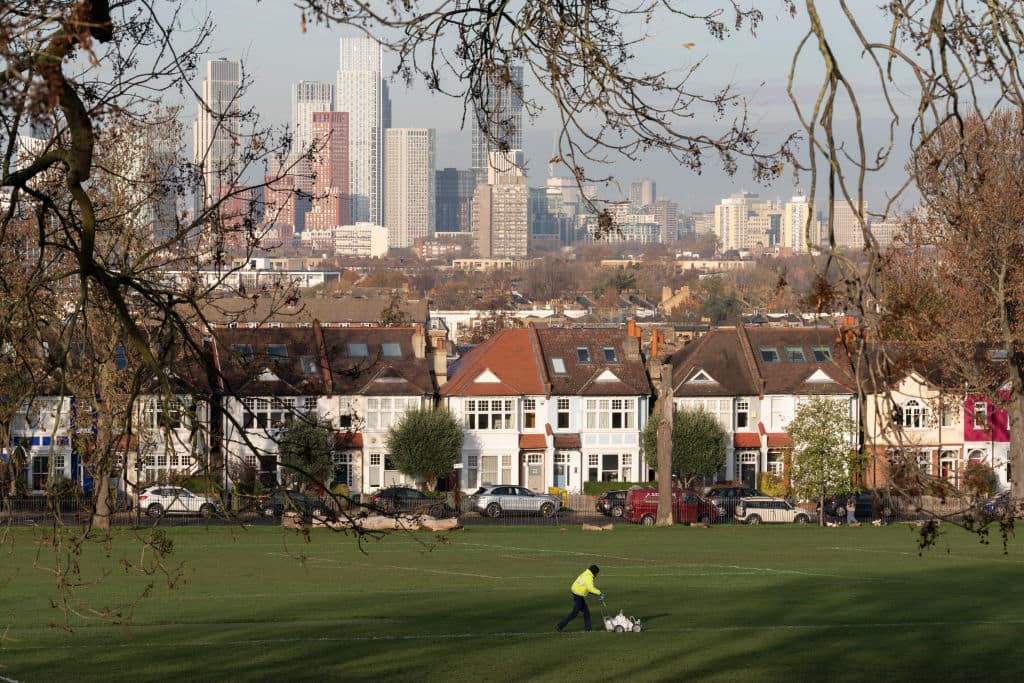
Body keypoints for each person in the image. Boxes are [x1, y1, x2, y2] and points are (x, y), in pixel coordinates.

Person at [556, 564, 603, 632]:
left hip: (576, 592)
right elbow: (590, 588)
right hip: (578, 595)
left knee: (586, 612)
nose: (597, 575)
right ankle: (560, 626)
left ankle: (588, 629)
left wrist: (593, 593)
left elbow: (584, 586)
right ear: (594, 572)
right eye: (597, 573)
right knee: (574, 613)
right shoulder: (589, 577)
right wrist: (599, 593)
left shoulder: (585, 573)